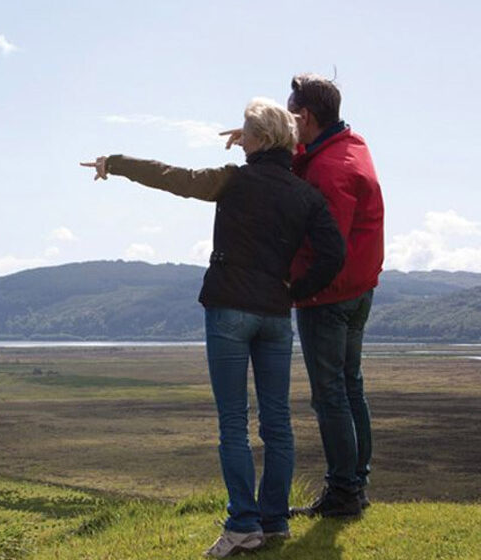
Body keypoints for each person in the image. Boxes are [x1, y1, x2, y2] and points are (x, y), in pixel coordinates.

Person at [81, 98, 345, 558]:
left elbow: (174, 177)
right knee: (278, 424)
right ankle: (274, 521)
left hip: (228, 311)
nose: (238, 139)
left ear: (258, 140)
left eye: (245, 133)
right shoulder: (305, 194)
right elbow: (333, 254)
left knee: (233, 424)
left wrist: (116, 163)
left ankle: (243, 525)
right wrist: (296, 290)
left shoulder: (233, 180)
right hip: (277, 315)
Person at [225, 75, 384, 517]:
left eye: (290, 111)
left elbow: (324, 245)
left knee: (331, 394)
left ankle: (344, 493)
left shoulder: (331, 171)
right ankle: (356, 482)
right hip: (357, 289)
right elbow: (306, 156)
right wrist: (263, 139)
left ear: (304, 116)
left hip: (329, 297)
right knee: (350, 388)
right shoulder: (347, 147)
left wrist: (296, 290)